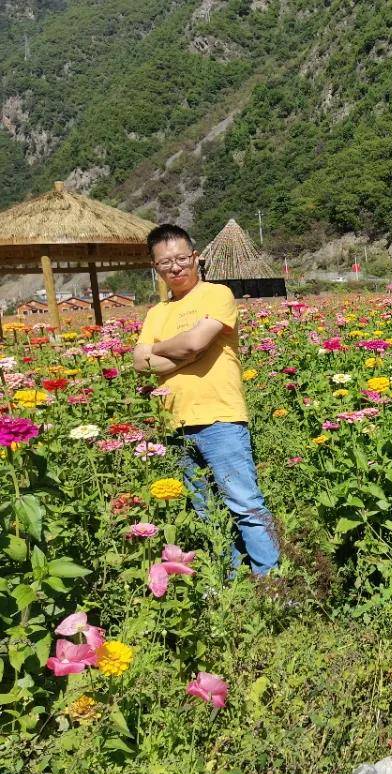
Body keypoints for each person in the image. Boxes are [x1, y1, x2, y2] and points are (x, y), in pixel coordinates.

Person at [133, 223, 279, 575]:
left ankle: (273, 583)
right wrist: (181, 351)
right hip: (174, 422)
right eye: (165, 262)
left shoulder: (217, 295)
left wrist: (164, 351)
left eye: (182, 258)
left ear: (195, 257)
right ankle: (230, 581)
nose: (176, 267)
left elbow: (196, 344)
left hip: (219, 418)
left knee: (244, 504)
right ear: (156, 267)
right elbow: (140, 361)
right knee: (204, 508)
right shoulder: (156, 313)